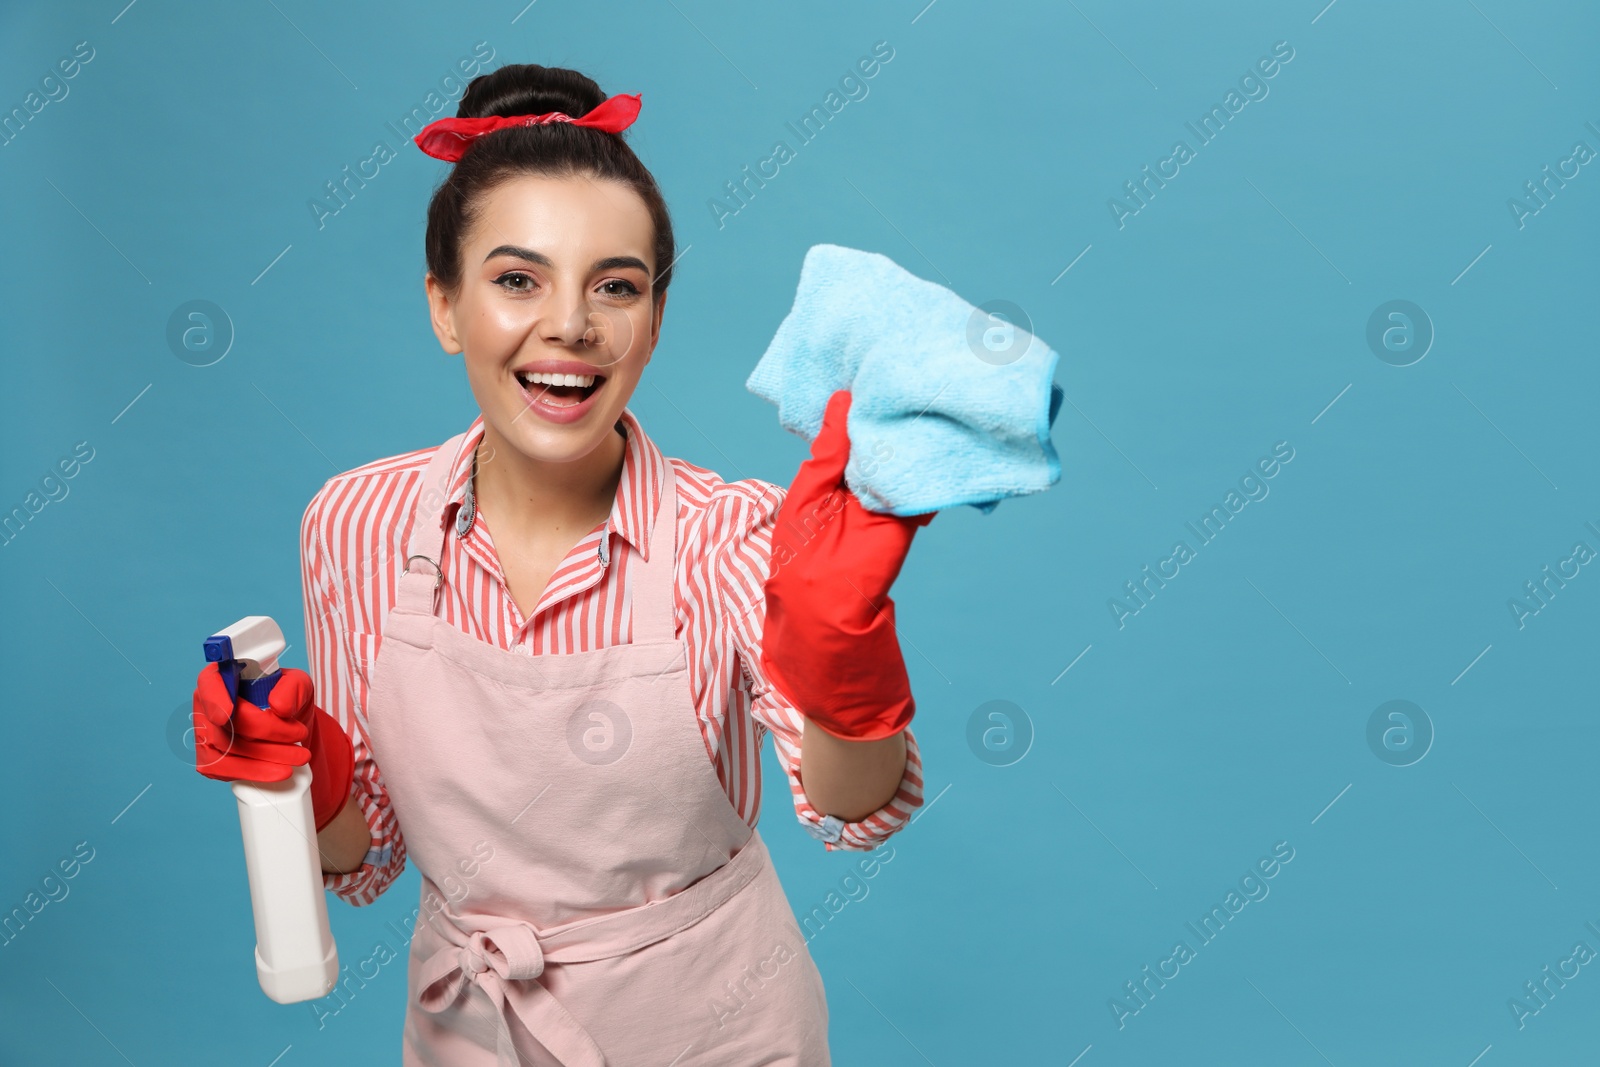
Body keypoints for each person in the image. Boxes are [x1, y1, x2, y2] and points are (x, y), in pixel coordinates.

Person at [190, 62, 933, 1066]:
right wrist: (302, 777)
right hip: (470, 1026)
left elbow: (852, 808)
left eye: (615, 285)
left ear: (655, 321)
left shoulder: (735, 533)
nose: (571, 323)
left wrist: (846, 659)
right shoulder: (354, 523)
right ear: (444, 305)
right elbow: (365, 854)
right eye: (515, 279)